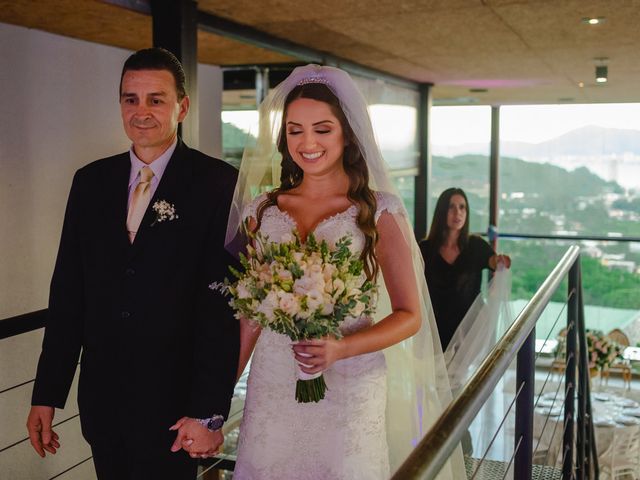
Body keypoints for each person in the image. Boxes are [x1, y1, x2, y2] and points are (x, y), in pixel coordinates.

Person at [225, 65, 464, 479]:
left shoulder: (380, 210)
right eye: (295, 130)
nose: (308, 142)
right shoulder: (261, 211)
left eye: (322, 129)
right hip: (274, 385)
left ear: (347, 133)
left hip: (351, 384)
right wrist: (216, 396)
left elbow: (409, 316)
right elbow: (250, 316)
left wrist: (339, 348)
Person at [26, 48, 240, 480]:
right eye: (130, 99)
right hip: (102, 404)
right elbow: (68, 294)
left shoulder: (219, 184)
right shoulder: (89, 182)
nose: (141, 111)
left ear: (182, 106)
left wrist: (211, 413)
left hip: (176, 410)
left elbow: (223, 309)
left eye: (155, 99)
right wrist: (47, 394)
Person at [419, 187, 511, 351]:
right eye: (451, 207)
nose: (458, 213)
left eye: (462, 207)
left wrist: (500, 261)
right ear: (441, 211)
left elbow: (493, 261)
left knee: (464, 376)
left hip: (468, 331)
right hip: (434, 331)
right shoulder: (425, 249)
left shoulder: (475, 245)